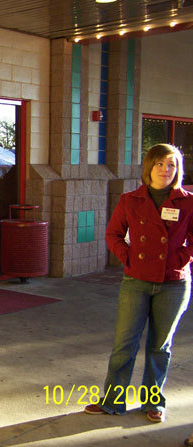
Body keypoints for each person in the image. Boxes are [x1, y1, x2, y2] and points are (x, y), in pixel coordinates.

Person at [84, 143, 192, 423]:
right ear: (149, 167)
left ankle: (153, 402)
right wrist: (129, 257)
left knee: (160, 346)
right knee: (124, 343)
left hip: (173, 282)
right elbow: (113, 234)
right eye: (159, 164)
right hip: (136, 280)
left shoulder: (187, 201)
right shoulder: (131, 199)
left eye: (171, 165)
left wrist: (180, 258)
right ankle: (112, 401)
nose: (165, 170)